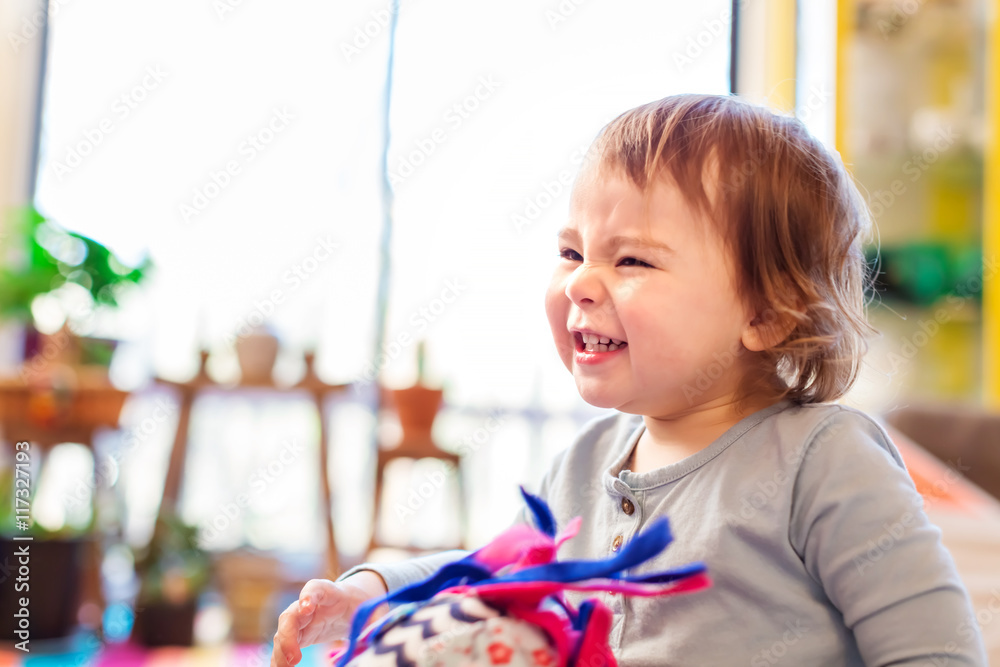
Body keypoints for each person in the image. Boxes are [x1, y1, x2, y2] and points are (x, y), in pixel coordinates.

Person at [271, 94, 988, 666]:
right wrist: (370, 591)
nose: (581, 281)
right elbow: (490, 573)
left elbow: (936, 651)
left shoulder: (823, 458)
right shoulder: (585, 460)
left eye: (632, 261)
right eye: (571, 250)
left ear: (766, 313)